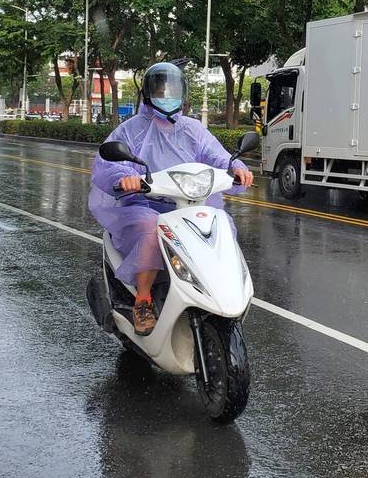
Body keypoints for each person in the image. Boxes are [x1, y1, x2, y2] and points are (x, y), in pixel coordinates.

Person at [88, 62, 254, 335]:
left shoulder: (193, 129)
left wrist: (236, 168)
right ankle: (143, 299)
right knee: (151, 228)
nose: (167, 94)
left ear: (183, 92)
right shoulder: (132, 130)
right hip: (146, 205)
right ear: (148, 91)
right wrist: (125, 178)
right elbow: (112, 163)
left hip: (192, 204)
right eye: (160, 88)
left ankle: (222, 287)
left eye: (172, 88)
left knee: (221, 224)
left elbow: (216, 155)